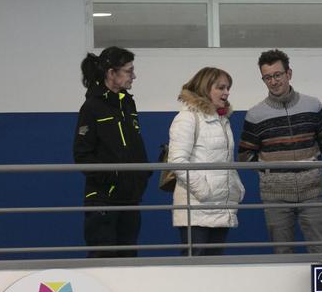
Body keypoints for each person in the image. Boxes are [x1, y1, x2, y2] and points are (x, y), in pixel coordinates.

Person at [239, 50, 322, 254]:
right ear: (263, 79)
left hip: (312, 191)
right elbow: (246, 154)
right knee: (282, 256)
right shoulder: (255, 115)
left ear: (289, 73)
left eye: (277, 75)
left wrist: (312, 162)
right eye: (268, 77)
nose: (273, 81)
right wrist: (269, 174)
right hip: (275, 196)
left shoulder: (313, 105)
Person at [74, 46, 151, 258]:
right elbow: (82, 155)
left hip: (130, 198)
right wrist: (113, 177)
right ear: (111, 73)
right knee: (104, 260)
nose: (133, 76)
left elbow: (133, 144)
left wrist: (142, 175)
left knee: (128, 262)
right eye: (128, 70)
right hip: (103, 200)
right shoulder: (91, 107)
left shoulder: (128, 103)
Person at [169, 67, 245, 255]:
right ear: (205, 88)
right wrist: (204, 191)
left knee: (214, 269)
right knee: (195, 270)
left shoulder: (222, 119)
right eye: (221, 87)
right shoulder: (187, 118)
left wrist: (236, 187)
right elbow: (177, 160)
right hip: (196, 209)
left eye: (228, 88)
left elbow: (226, 161)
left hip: (221, 206)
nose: (227, 92)